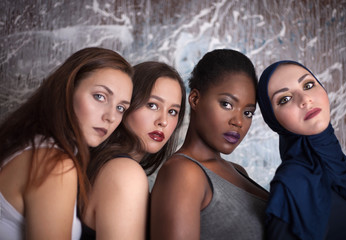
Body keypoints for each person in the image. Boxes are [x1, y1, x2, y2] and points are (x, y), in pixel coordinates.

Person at [0, 47, 134, 240]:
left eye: (121, 107)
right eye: (100, 96)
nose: (111, 116)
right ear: (67, 90)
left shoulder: (29, 144)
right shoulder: (55, 163)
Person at [150, 49, 269, 240]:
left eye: (248, 112)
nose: (238, 121)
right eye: (227, 104)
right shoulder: (183, 172)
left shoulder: (238, 171)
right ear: (195, 99)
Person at [81, 61, 186, 239]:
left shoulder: (107, 165)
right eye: (152, 105)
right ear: (127, 102)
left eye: (173, 111)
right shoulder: (125, 173)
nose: (164, 121)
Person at [257, 60, 346, 240]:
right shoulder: (291, 183)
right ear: (273, 120)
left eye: (309, 85)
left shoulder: (342, 165)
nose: (305, 100)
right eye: (285, 99)